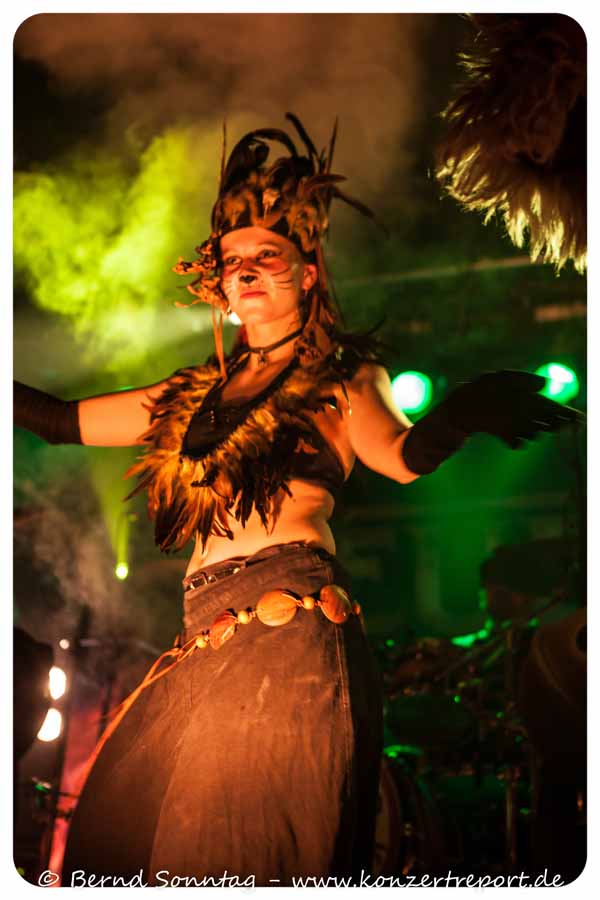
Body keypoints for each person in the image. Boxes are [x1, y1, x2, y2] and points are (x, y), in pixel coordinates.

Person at [13, 114, 582, 887]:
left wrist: (465, 411)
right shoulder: (189, 397)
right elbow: (56, 422)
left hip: (290, 630)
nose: (246, 271)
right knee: (122, 841)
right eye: (233, 261)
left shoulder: (345, 378)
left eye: (267, 258)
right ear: (217, 282)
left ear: (308, 274)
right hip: (201, 638)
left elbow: (402, 458)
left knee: (241, 851)